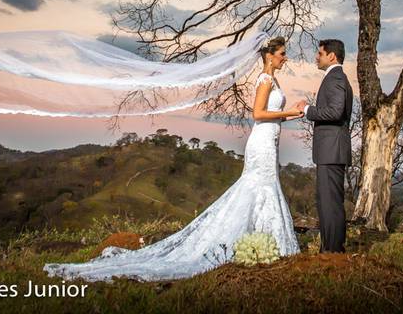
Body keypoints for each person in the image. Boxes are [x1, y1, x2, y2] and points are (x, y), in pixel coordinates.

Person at [43, 36, 305, 282]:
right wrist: (290, 112)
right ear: (269, 56)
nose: (285, 58)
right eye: (282, 54)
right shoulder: (264, 81)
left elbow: (272, 113)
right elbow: (258, 113)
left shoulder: (274, 81)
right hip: (261, 141)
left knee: (263, 188)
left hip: (271, 140)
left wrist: (293, 114)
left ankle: (262, 242)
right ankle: (260, 244)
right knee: (258, 186)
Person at [294, 39, 352, 253]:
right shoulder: (336, 78)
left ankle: (333, 251)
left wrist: (308, 109)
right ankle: (331, 249)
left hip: (332, 151)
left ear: (332, 56)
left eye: (320, 53)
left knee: (330, 204)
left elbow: (335, 112)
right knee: (328, 203)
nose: (316, 57)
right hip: (331, 151)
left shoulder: (336, 78)